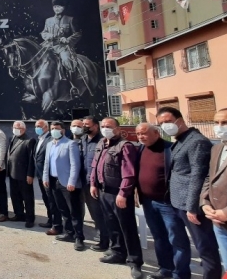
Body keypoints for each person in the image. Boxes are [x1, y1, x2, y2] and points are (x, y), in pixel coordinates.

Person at [157, 106, 221, 279]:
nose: (165, 125)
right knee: (181, 242)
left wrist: (192, 207)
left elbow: (198, 175)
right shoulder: (180, 140)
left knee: (205, 247)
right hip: (177, 202)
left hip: (191, 205)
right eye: (161, 123)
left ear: (180, 120)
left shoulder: (196, 141)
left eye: (168, 121)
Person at [135, 123, 191, 279]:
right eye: (138, 134)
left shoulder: (170, 149)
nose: (140, 137)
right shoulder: (141, 149)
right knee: (159, 237)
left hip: (168, 203)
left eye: (144, 133)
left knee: (177, 239)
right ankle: (165, 268)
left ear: (156, 133)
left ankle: (181, 274)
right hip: (148, 202)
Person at [90, 117, 143, 279]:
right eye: (103, 126)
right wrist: (93, 184)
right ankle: (117, 252)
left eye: (109, 126)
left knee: (127, 227)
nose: (105, 128)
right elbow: (95, 166)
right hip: (103, 192)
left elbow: (129, 173)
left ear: (118, 129)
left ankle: (135, 261)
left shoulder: (125, 146)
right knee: (111, 224)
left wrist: (123, 193)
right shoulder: (101, 143)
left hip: (118, 194)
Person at [202, 108, 227, 272]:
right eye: (216, 122)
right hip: (219, 222)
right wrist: (204, 202)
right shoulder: (216, 148)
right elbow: (210, 178)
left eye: (226, 123)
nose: (220, 127)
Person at [43, 121, 85, 251]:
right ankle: (69, 233)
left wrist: (72, 181)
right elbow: (47, 163)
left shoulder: (70, 144)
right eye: (52, 128)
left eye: (57, 128)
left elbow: (75, 164)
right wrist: (45, 177)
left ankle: (79, 238)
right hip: (54, 181)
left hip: (68, 183)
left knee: (74, 211)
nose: (54, 130)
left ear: (63, 130)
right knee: (63, 209)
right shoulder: (50, 144)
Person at [40, 0, 82, 96]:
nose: (57, 9)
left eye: (59, 6)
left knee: (66, 60)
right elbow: (43, 32)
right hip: (49, 45)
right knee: (37, 56)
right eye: (55, 7)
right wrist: (47, 35)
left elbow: (78, 34)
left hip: (63, 47)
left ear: (63, 7)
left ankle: (72, 85)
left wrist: (67, 39)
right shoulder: (48, 20)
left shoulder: (70, 19)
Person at [81, 116, 109, 252]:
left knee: (101, 213)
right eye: (83, 124)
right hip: (85, 182)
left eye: (87, 124)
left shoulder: (102, 141)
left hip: (97, 184)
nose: (84, 127)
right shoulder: (83, 140)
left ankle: (105, 240)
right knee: (94, 213)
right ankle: (102, 236)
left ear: (96, 126)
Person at [7, 121, 36, 228]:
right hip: (12, 172)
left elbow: (31, 159)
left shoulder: (29, 140)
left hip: (24, 174)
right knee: (15, 196)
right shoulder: (12, 138)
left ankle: (30, 219)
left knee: (27, 197)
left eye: (18, 128)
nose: (16, 130)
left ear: (24, 129)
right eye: (14, 127)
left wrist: (30, 174)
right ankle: (19, 214)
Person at [34, 119, 59, 231]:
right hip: (41, 176)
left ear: (46, 127)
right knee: (46, 199)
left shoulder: (50, 139)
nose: (37, 128)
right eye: (36, 126)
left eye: (39, 126)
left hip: (48, 176)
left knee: (52, 201)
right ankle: (51, 220)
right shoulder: (39, 139)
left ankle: (56, 223)